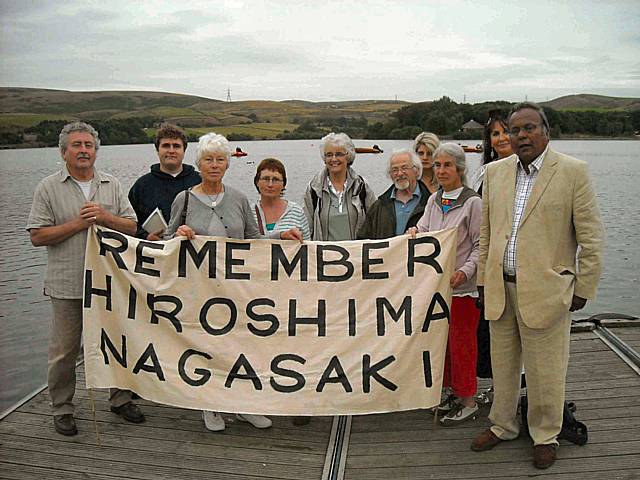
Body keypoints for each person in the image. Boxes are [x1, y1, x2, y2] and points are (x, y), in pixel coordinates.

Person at [470, 102, 604, 470]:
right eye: (514, 130)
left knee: (546, 369)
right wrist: (483, 280)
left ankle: (546, 434)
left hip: (548, 290)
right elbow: (486, 235)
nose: (521, 135)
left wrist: (583, 287)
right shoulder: (494, 173)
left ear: (546, 130)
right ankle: (503, 425)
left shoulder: (573, 172)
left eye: (529, 128)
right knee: (504, 364)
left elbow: (591, 238)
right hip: (500, 288)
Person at [164, 132, 302, 432]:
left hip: (237, 288)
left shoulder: (239, 198)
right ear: (198, 164)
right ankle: (210, 406)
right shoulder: (183, 199)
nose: (214, 165)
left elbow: (254, 240)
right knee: (206, 346)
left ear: (227, 164)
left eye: (220, 160)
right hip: (199, 290)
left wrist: (281, 235)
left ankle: (243, 405)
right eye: (208, 160)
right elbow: (166, 242)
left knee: (241, 345)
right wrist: (177, 236)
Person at [26, 122, 145, 436]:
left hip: (109, 284)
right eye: (76, 145)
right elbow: (37, 236)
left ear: (96, 150)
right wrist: (78, 224)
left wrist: (105, 218)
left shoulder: (112, 184)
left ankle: (120, 399)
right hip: (67, 283)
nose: (83, 150)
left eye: (88, 145)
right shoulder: (47, 188)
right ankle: (62, 409)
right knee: (65, 351)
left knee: (116, 343)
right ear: (64, 151)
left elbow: (132, 227)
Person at [408, 143, 482, 426]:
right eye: (437, 165)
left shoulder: (473, 202)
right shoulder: (434, 200)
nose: (440, 170)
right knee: (444, 344)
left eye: (447, 165)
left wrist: (465, 272)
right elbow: (427, 230)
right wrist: (414, 231)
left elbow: (479, 245)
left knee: (463, 344)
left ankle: (469, 399)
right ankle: (451, 389)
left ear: (460, 169)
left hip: (463, 290)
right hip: (438, 287)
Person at [473, 112, 514, 387]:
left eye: (505, 132)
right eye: (494, 134)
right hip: (488, 260)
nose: (500, 138)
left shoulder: (521, 170)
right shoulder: (485, 171)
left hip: (513, 260)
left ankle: (522, 391)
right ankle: (498, 388)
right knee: (490, 331)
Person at [128, 123, 201, 240]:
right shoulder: (141, 186)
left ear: (184, 150)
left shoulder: (200, 181)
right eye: (166, 146)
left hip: (194, 249)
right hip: (154, 251)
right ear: (157, 150)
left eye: (176, 146)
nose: (171, 150)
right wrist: (145, 236)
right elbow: (129, 222)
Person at [304, 132, 376, 241]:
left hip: (357, 256)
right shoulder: (313, 188)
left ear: (348, 156)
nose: (333, 159)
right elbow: (305, 229)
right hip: (323, 257)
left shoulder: (362, 186)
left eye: (339, 154)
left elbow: (376, 221)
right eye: (329, 155)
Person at [357, 148, 429, 240]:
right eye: (394, 170)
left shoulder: (431, 204)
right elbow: (363, 240)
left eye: (404, 168)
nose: (399, 173)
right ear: (390, 175)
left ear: (417, 171)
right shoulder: (379, 207)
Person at [252, 157, 310, 240]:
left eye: (275, 180)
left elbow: (308, 246)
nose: (270, 184)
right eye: (266, 179)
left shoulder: (297, 212)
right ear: (257, 182)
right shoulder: (249, 213)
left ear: (283, 184)